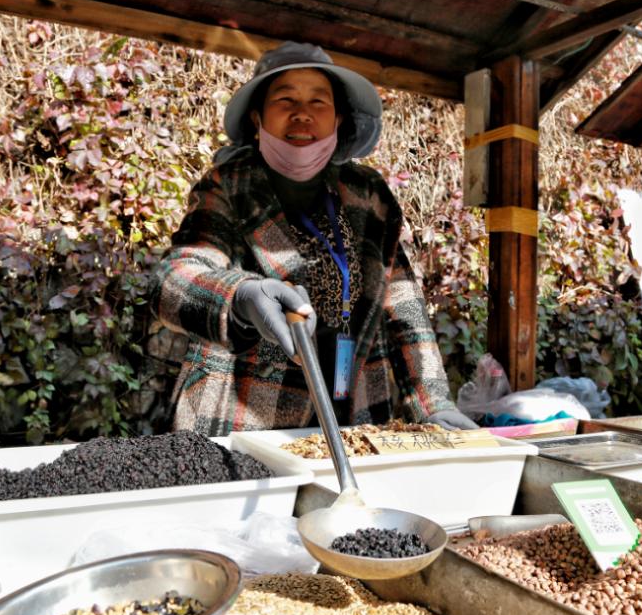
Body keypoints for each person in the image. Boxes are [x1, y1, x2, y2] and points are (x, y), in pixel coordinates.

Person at [154, 42, 476, 435]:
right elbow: (174, 277)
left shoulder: (369, 197)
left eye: (318, 102)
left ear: (339, 118)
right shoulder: (228, 187)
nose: (302, 114)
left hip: (352, 415)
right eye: (285, 99)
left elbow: (404, 308)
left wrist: (432, 403)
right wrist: (239, 297)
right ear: (257, 117)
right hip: (240, 422)